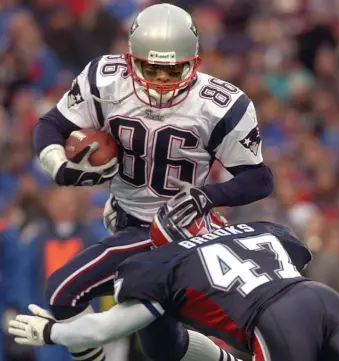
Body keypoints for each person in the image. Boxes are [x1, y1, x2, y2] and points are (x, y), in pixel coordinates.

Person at [33, 3, 273, 361]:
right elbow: (51, 125)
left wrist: (206, 196)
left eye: (172, 70)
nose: (161, 81)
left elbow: (258, 179)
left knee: (64, 291)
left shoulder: (221, 105)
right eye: (152, 68)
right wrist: (60, 167)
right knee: (163, 346)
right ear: (131, 61)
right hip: (128, 219)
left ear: (194, 64)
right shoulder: (105, 79)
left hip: (180, 230)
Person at [10, 207, 339, 361]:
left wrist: (50, 332)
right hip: (322, 297)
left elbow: (101, 331)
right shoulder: (263, 228)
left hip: (276, 321)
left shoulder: (164, 263)